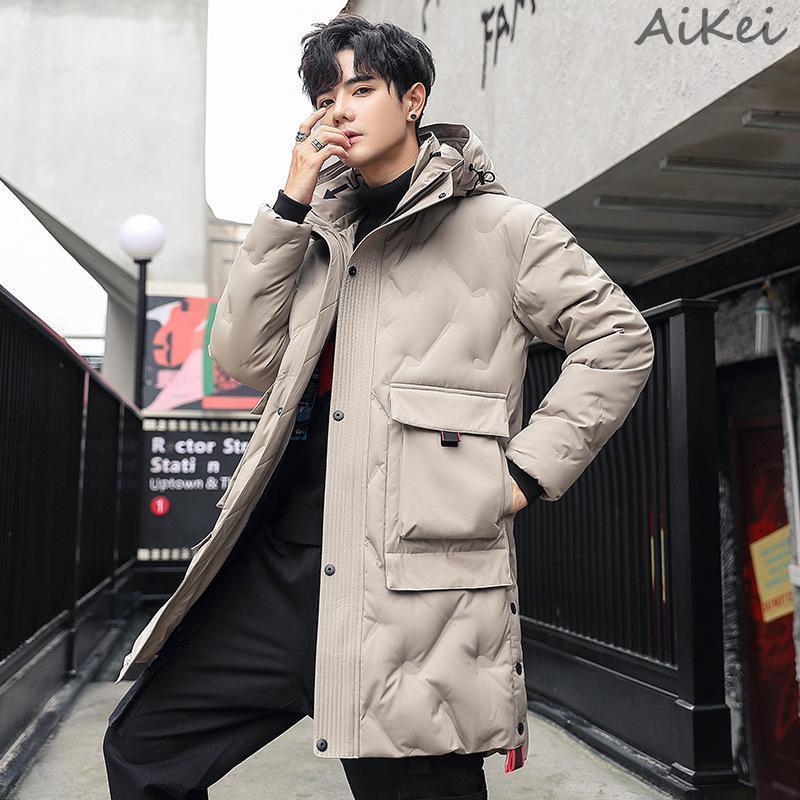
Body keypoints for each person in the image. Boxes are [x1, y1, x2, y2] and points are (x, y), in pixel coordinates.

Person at [103, 13, 655, 800]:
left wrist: (526, 473)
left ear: (414, 100)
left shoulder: (507, 229)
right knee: (144, 748)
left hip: (412, 580)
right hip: (283, 566)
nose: (341, 110)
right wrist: (289, 206)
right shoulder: (317, 232)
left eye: (361, 89)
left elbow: (619, 339)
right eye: (326, 97)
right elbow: (241, 358)